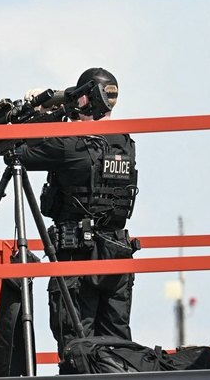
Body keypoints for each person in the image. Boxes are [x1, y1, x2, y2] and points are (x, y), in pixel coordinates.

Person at [16, 67, 139, 363]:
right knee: (117, 345)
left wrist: (41, 113)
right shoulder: (125, 143)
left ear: (86, 99)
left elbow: (18, 150)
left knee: (76, 345)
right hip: (117, 252)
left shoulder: (71, 145)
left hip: (77, 256)